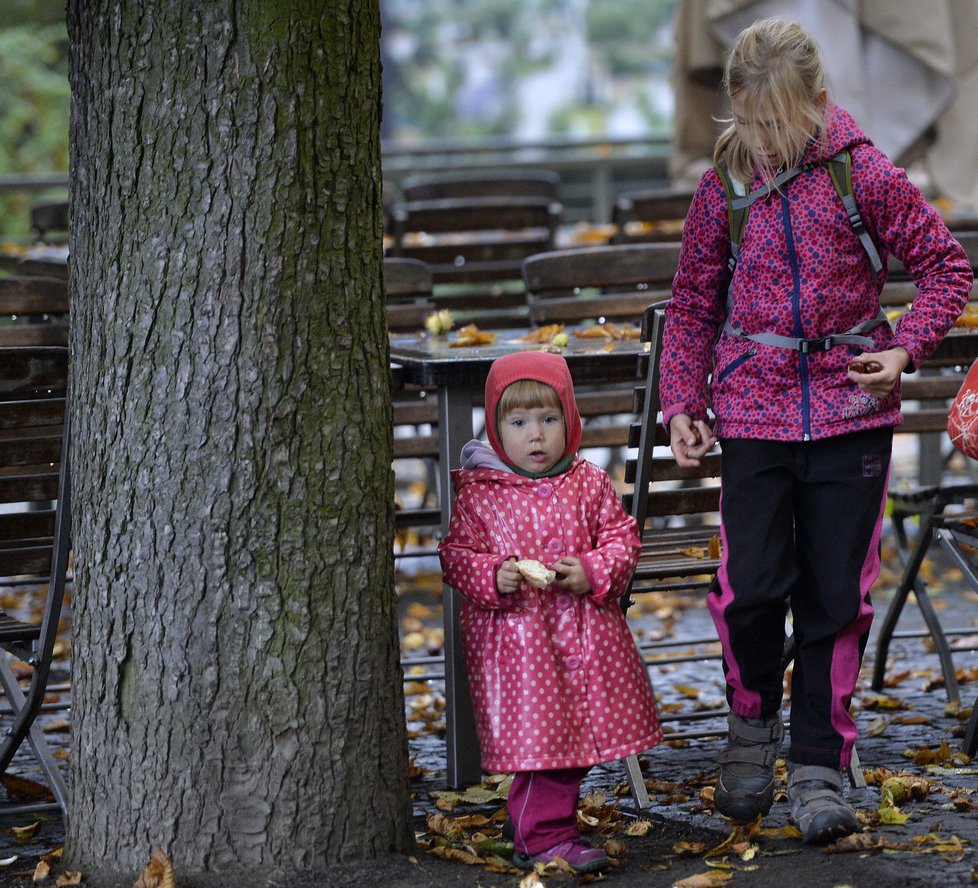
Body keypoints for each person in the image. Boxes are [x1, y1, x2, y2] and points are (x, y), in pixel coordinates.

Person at [659, 17, 973, 845]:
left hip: (850, 416)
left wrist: (906, 346)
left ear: (818, 103)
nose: (766, 141)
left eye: (781, 123)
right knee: (751, 589)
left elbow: (946, 266)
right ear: (732, 106)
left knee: (835, 597)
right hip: (753, 413)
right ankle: (749, 733)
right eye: (752, 122)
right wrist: (683, 403)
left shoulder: (863, 173)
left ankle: (818, 768)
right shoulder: (720, 186)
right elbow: (694, 304)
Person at [438, 351, 661, 874]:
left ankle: (534, 828)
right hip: (521, 646)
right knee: (543, 744)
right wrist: (495, 573)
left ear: (570, 420)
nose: (535, 436)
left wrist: (594, 570)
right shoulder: (481, 494)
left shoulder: (587, 481)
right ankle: (542, 836)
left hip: (585, 638)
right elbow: (456, 556)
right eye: (518, 423)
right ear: (495, 428)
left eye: (548, 419)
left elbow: (621, 538)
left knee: (578, 738)